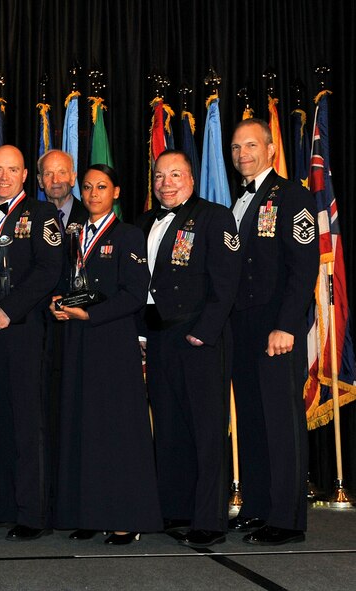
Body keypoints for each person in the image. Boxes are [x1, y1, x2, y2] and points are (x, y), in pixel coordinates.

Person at [135, 150, 242, 548]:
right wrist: (141, 335)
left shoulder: (215, 217)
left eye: (175, 175)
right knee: (169, 426)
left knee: (206, 430)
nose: (166, 183)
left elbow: (227, 280)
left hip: (198, 337)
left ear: (192, 179)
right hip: (159, 336)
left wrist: (206, 331)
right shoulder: (143, 222)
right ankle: (175, 508)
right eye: (159, 176)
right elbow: (139, 286)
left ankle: (209, 520)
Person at [51, 164, 162, 544]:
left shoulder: (129, 235)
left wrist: (91, 314)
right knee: (82, 425)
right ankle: (88, 512)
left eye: (101, 187)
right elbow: (67, 283)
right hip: (77, 341)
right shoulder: (73, 233)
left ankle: (125, 518)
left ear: (116, 192)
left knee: (117, 429)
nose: (93, 193)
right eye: (87, 187)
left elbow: (135, 293)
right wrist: (58, 304)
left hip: (113, 340)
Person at [227, 118, 318, 545]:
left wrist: (286, 325)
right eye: (236, 147)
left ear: (270, 150)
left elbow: (303, 268)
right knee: (252, 419)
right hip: (242, 327)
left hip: (276, 327)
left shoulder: (292, 196)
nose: (242, 154)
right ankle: (258, 506)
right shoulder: (237, 201)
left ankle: (287, 518)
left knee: (281, 421)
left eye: (251, 145)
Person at [0, 145, 62, 540]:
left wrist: (10, 309)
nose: (3, 177)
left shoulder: (42, 214)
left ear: (25, 176)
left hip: (23, 329)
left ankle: (31, 513)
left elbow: (49, 270)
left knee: (26, 421)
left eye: (11, 170)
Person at [37, 149, 88, 512]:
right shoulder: (30, 217)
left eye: (62, 173)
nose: (55, 180)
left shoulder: (93, 215)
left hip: (79, 330)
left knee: (76, 414)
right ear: (40, 181)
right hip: (38, 330)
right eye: (48, 174)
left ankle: (76, 499)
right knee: (43, 415)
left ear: (73, 177)